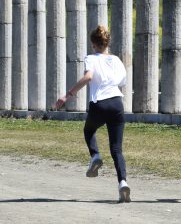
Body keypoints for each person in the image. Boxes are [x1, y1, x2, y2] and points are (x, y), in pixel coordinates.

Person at [54, 25, 130, 203]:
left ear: (93, 44)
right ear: (107, 43)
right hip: (117, 103)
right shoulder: (117, 60)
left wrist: (67, 95)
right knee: (117, 149)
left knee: (89, 131)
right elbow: (122, 81)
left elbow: (88, 77)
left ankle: (95, 156)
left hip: (100, 103)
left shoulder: (91, 58)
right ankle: (123, 183)